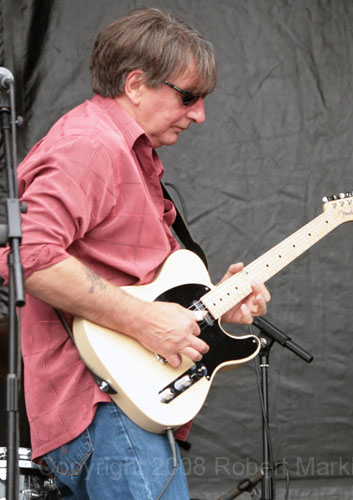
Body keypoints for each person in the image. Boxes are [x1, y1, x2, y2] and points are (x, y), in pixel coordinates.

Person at [0, 8, 271, 499]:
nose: (199, 114)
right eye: (188, 97)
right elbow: (29, 256)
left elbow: (136, 281)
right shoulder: (89, 146)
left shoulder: (124, 151)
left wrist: (214, 303)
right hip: (101, 408)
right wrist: (146, 322)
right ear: (136, 83)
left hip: (113, 408)